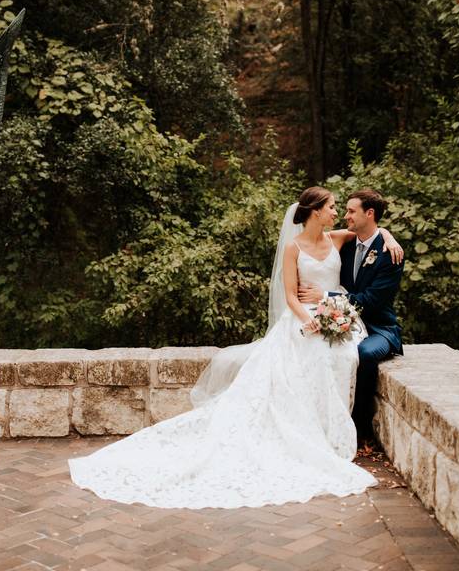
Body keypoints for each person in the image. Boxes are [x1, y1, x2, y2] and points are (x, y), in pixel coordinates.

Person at [68, 187, 403, 509]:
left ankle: (333, 429)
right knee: (307, 359)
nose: (338, 212)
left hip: (336, 314)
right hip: (305, 318)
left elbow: (370, 234)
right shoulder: (294, 247)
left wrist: (386, 234)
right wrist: (307, 320)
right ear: (315, 212)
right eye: (332, 207)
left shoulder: (336, 239)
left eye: (344, 209)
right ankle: (306, 433)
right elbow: (290, 295)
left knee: (342, 356)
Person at [299, 189, 404, 443]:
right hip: (337, 319)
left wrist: (325, 294)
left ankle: (359, 426)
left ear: (369, 214)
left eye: (351, 211)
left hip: (378, 327)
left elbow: (372, 301)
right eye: (343, 210)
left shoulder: (390, 254)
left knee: (364, 354)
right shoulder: (345, 245)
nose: (345, 215)